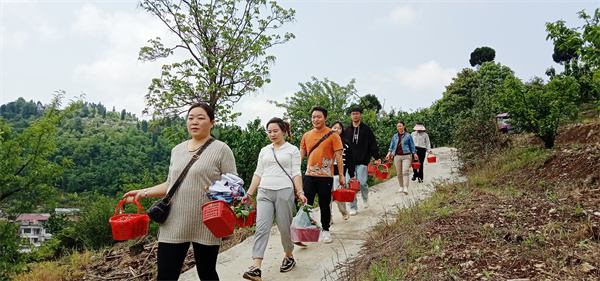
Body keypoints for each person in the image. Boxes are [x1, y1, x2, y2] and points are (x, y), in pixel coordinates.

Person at [123, 103, 236, 281]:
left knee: (207, 274)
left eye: (201, 118)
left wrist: (215, 192)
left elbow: (233, 186)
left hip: (207, 222)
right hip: (174, 222)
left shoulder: (221, 149)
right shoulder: (177, 150)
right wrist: (142, 192)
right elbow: (170, 184)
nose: (194, 122)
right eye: (190, 118)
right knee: (166, 275)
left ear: (212, 122)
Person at [240, 118, 308, 281]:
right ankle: (256, 267)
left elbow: (296, 172)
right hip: (264, 192)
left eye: (275, 131)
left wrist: (300, 191)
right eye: (269, 131)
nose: (272, 134)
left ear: (283, 131)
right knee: (262, 228)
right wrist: (249, 193)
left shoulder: (292, 150)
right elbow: (258, 172)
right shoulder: (264, 150)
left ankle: (289, 255)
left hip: (284, 191)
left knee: (284, 227)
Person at [300, 106, 345, 244]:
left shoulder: (333, 135)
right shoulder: (306, 135)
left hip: (326, 176)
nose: (316, 119)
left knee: (325, 203)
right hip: (309, 175)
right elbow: (300, 157)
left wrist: (342, 175)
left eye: (319, 117)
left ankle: (326, 230)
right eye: (313, 117)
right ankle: (305, 230)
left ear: (325, 118)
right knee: (306, 203)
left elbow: (338, 157)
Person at [342, 107, 381, 216]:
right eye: (353, 114)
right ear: (350, 115)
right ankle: (353, 207)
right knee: (351, 185)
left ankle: (365, 197)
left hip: (363, 161)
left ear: (361, 115)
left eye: (357, 113)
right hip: (349, 163)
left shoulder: (366, 129)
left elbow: (372, 144)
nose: (355, 115)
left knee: (362, 183)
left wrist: (376, 157)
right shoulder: (347, 130)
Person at [329, 121, 356, 222]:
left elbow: (350, 161)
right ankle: (329, 216)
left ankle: (343, 211)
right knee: (327, 197)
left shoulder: (346, 144)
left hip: (339, 174)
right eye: (334, 127)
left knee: (339, 195)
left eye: (338, 128)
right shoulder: (326, 142)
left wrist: (352, 174)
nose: (336, 130)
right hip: (326, 173)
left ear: (342, 130)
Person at [385, 121, 418, 194]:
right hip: (397, 156)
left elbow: (412, 146)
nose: (399, 127)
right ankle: (401, 186)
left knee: (405, 171)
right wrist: (388, 154)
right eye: (398, 126)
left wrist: (415, 154)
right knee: (399, 173)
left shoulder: (408, 136)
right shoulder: (395, 136)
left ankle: (406, 187)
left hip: (406, 155)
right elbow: (391, 147)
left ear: (404, 126)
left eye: (400, 126)